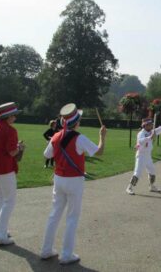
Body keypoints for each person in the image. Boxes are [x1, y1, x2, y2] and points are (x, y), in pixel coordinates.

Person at [41, 103, 106, 265]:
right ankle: (66, 254)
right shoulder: (79, 138)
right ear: (76, 122)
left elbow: (46, 154)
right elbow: (99, 151)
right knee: (72, 217)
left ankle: (46, 250)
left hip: (59, 178)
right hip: (74, 180)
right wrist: (102, 136)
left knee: (54, 214)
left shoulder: (55, 136)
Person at [0, 102, 24, 246]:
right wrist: (19, 147)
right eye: (14, 115)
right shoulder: (10, 130)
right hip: (5, 169)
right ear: (8, 116)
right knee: (9, 201)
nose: (15, 117)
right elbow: (12, 152)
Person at [126, 118, 161, 195]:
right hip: (141, 155)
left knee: (152, 171)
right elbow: (140, 141)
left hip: (148, 156)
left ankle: (151, 186)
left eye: (152, 124)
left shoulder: (152, 131)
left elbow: (157, 130)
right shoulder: (141, 133)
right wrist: (149, 138)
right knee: (137, 173)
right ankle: (129, 187)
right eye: (150, 125)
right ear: (145, 125)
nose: (151, 126)